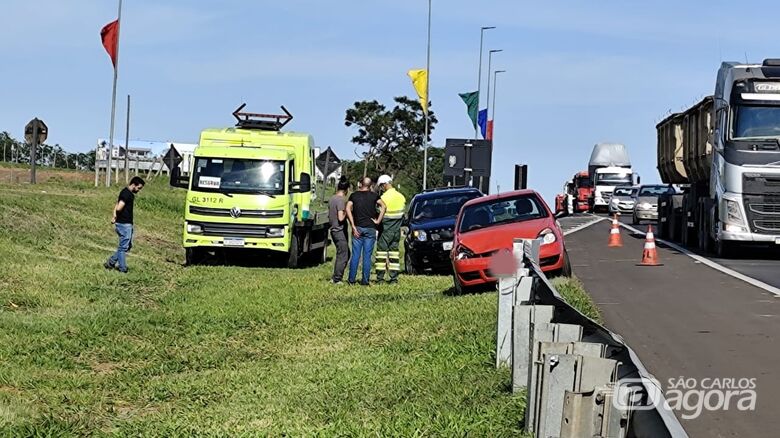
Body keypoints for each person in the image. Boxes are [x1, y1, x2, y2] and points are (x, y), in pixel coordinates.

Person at [346, 176, 386, 285]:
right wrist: (378, 221)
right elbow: (384, 206)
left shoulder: (354, 196)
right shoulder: (374, 196)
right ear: (370, 186)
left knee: (355, 255)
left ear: (360, 184)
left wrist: (352, 225)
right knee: (367, 256)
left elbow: (347, 208)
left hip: (357, 227)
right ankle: (365, 281)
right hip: (370, 228)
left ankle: (351, 280)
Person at [104, 176, 145, 273]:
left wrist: (114, 216)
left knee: (127, 246)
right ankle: (123, 269)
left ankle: (111, 262)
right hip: (124, 224)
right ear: (134, 185)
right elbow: (119, 207)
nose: (138, 190)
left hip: (126, 223)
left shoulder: (125, 193)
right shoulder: (126, 194)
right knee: (123, 248)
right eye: (138, 188)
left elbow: (117, 204)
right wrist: (116, 213)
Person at [375, 175, 406, 283]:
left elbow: (379, 213)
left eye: (381, 186)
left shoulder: (383, 198)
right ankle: (394, 278)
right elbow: (402, 215)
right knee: (394, 254)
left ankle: (380, 278)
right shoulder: (401, 197)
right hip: (396, 231)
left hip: (385, 230)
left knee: (381, 254)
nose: (381, 188)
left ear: (384, 185)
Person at [328, 176, 351, 284]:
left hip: (333, 229)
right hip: (339, 230)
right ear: (346, 190)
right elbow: (341, 217)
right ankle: (337, 278)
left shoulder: (332, 198)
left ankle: (336, 276)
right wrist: (348, 210)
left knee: (344, 252)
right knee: (343, 254)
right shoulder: (341, 200)